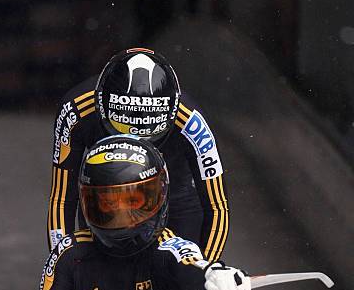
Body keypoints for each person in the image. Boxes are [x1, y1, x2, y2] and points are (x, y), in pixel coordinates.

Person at [27, 136, 249, 290]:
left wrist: (213, 273)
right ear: (89, 202)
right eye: (109, 204)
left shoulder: (167, 248)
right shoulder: (72, 254)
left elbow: (190, 264)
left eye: (133, 202)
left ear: (159, 196)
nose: (121, 216)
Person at [47, 47, 229, 263]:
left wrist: (207, 270)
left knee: (180, 280)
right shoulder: (76, 112)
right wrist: (63, 264)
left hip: (175, 200)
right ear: (102, 108)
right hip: (106, 199)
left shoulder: (191, 122)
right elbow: (62, 198)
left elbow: (217, 205)